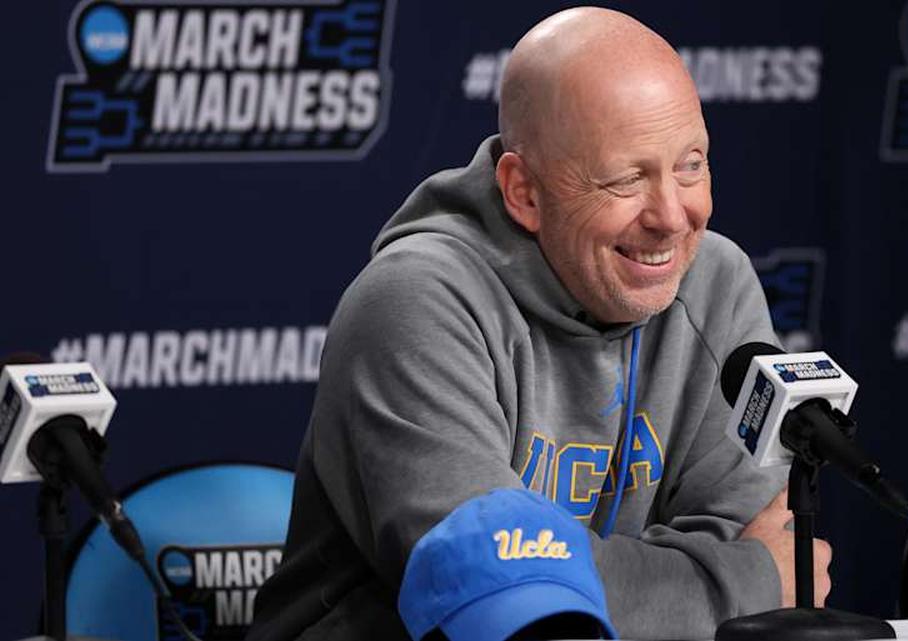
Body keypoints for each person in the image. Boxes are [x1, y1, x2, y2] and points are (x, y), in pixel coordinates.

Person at [247, 7, 831, 641]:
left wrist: (719, 575)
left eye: (690, 164)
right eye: (626, 177)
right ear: (524, 192)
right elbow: (503, 596)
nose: (672, 216)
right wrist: (746, 581)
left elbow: (758, 533)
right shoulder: (415, 302)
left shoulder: (714, 282)